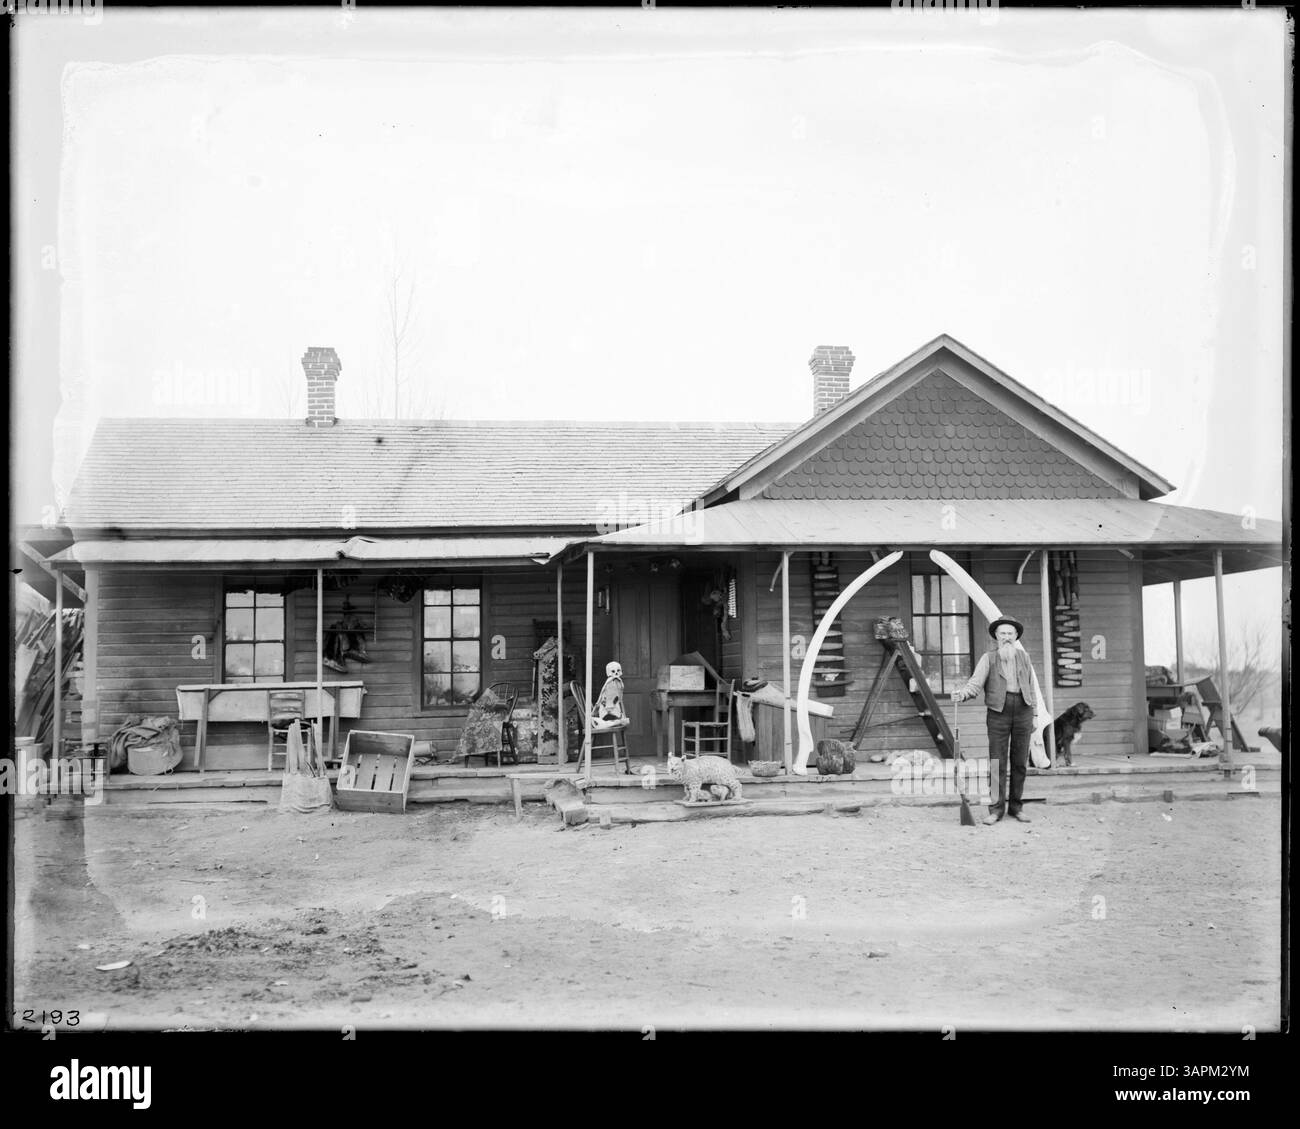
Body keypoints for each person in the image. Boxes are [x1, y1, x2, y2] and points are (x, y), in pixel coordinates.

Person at [951, 616, 1040, 824]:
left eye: (1010, 633)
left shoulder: (1024, 657)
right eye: (1003, 634)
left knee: (1019, 763)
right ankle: (996, 810)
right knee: (996, 762)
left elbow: (1031, 686)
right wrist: (962, 694)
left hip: (1024, 711)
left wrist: (1034, 714)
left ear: (1016, 636)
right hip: (998, 713)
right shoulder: (988, 658)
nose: (1007, 637)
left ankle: (1016, 807)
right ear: (996, 637)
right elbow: (974, 685)